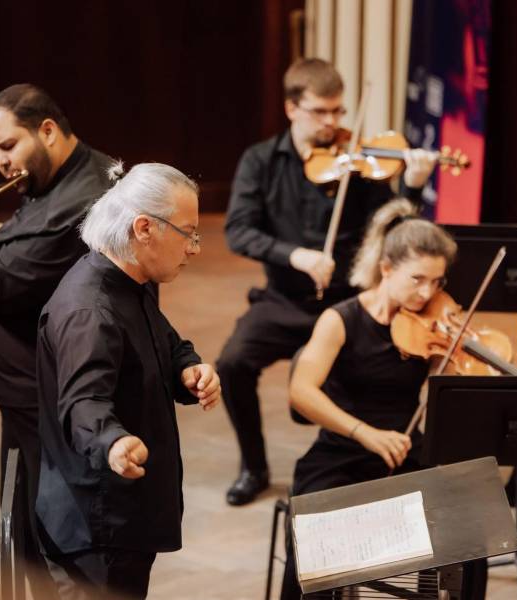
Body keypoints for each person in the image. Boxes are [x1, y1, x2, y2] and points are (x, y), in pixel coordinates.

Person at [219, 57, 438, 505]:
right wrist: (294, 254)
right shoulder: (260, 161)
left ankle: (364, 453)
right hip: (284, 299)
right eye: (321, 112)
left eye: (339, 111)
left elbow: (396, 232)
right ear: (292, 108)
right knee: (231, 363)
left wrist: (413, 188)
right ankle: (254, 465)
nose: (334, 122)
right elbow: (238, 230)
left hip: (348, 304)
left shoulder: (360, 163)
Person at [0, 83, 114, 595]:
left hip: (49, 395)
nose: (0, 162)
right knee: (23, 526)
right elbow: (31, 239)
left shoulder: (83, 196)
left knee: (50, 537)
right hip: (23, 392)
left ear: (49, 130)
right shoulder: (59, 179)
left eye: (7, 146)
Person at [35, 162, 221, 599]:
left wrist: (187, 369)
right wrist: (113, 442)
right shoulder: (91, 312)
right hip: (97, 530)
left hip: (120, 516)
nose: (193, 248)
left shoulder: (127, 280)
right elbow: (83, 402)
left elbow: (164, 340)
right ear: (144, 228)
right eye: (188, 232)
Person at [279, 198, 462, 599]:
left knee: (471, 526)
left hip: (405, 449)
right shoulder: (340, 320)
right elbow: (301, 391)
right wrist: (365, 433)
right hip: (342, 451)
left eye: (437, 281)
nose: (428, 292)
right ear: (386, 269)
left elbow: (443, 400)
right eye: (417, 279)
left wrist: (444, 366)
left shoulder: (430, 326)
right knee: (315, 534)